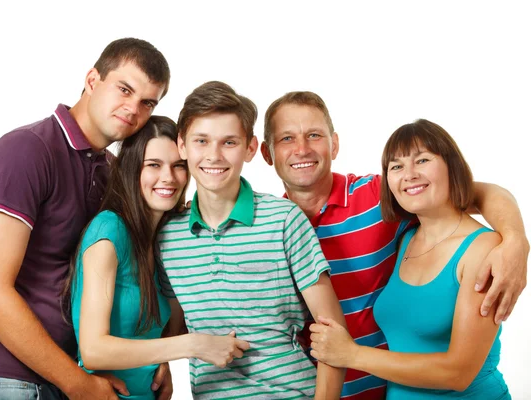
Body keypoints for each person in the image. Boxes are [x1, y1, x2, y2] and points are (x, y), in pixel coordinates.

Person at [0, 38, 171, 400]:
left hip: (57, 376)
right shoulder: (28, 150)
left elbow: (116, 283)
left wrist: (152, 357)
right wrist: (78, 384)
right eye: (124, 89)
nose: (133, 109)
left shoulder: (110, 171)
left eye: (147, 102)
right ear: (92, 80)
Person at [260, 91, 528, 399]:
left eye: (314, 135)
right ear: (268, 153)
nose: (302, 149)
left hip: (383, 389)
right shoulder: (271, 228)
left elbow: (477, 193)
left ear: (334, 143)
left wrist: (516, 240)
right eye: (287, 139)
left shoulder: (381, 198)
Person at [158, 81, 347, 399]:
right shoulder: (168, 236)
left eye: (228, 142)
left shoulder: (284, 220)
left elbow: (333, 334)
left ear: (249, 148)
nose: (214, 156)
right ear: (182, 145)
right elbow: (175, 328)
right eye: (201, 141)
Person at [309, 118, 511, 399]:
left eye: (423, 160)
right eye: (396, 166)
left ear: (452, 166)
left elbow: (458, 372)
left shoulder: (483, 248)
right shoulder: (405, 239)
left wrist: (351, 354)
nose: (409, 174)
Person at [68, 116, 250, 400]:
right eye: (153, 165)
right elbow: (93, 350)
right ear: (131, 169)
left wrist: (161, 358)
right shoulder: (109, 231)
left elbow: (153, 335)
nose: (168, 177)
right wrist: (192, 345)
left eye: (178, 166)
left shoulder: (163, 239)